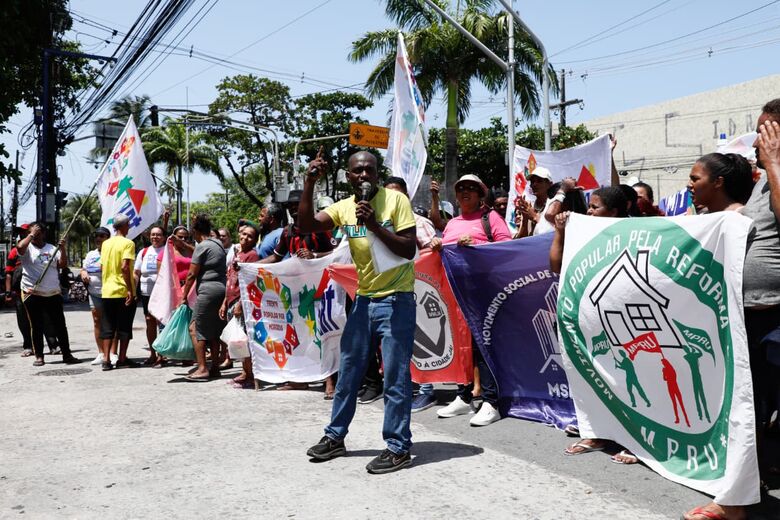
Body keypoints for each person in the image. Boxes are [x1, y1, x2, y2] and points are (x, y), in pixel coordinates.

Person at [300, 150, 418, 474]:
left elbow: (409, 249)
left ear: (378, 174)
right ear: (348, 177)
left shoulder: (395, 202)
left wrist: (375, 225)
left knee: (394, 378)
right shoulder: (343, 209)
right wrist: (309, 182)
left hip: (397, 300)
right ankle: (335, 438)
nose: (364, 175)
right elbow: (306, 224)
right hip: (364, 300)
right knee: (349, 372)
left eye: (369, 170)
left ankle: (398, 447)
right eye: (357, 171)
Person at [682, 127, 776, 519]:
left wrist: (772, 162)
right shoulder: (762, 185)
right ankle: (739, 496)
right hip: (750, 315)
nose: (757, 143)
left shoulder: (772, 169)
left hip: (773, 313)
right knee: (748, 407)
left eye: (765, 131)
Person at [550, 187, 632, 462]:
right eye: (590, 206)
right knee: (594, 374)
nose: (589, 211)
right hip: (592, 321)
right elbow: (556, 266)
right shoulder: (582, 233)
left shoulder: (635, 232)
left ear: (615, 212)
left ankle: (635, 441)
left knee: (627, 380)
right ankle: (597, 432)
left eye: (596, 207)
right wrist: (561, 232)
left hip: (624, 323)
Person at [430, 174, 511, 426]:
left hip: (483, 292)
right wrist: (437, 244)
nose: (465, 192)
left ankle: (491, 402)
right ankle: (464, 397)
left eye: (471, 189)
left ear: (480, 194)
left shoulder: (491, 219)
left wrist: (476, 246)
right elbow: (445, 249)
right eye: (461, 188)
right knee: (460, 345)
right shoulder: (452, 222)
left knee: (481, 346)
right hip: (455, 294)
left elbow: (507, 249)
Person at [357, 177, 436, 409]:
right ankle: (408, 386)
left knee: (423, 339)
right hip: (384, 293)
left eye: (398, 194)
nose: (393, 199)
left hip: (416, 288)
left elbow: (429, 250)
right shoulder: (372, 221)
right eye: (388, 194)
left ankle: (426, 389)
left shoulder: (418, 222)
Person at [17, 222, 78, 366]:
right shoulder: (27, 247)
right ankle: (39, 356)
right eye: (33, 232)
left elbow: (62, 264)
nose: (36, 234)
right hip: (32, 292)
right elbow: (19, 248)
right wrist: (31, 235)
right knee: (36, 326)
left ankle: (67, 355)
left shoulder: (51, 248)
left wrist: (62, 249)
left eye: (39, 232)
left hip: (52, 292)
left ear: (44, 234)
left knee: (60, 325)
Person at [182, 214, 227, 381]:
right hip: (221, 290)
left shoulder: (202, 246)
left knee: (195, 328)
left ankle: (202, 368)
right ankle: (215, 367)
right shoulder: (218, 244)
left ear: (195, 231)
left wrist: (184, 296)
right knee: (214, 330)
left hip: (208, 291)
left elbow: (191, 274)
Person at [220, 224, 259, 389]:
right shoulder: (237, 254)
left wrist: (241, 304)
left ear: (255, 240)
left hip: (241, 302)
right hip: (231, 299)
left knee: (244, 341)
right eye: (243, 234)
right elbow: (230, 279)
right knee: (237, 340)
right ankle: (244, 372)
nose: (245, 237)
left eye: (250, 236)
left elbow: (251, 283)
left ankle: (250, 375)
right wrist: (224, 302)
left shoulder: (252, 256)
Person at [99, 215, 138, 371]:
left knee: (108, 327)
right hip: (122, 290)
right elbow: (125, 267)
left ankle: (106, 359)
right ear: (124, 226)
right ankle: (122, 358)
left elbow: (102, 267)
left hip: (107, 291)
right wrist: (130, 288)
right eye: (128, 225)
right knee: (124, 326)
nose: (129, 227)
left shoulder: (106, 244)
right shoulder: (128, 243)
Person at [81, 226, 116, 365]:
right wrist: (83, 273)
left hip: (110, 292)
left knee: (111, 323)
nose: (98, 238)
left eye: (102, 236)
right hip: (94, 292)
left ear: (108, 238)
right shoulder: (91, 254)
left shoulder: (112, 252)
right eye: (96, 236)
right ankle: (101, 353)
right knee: (97, 321)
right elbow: (84, 268)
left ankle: (112, 353)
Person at [134, 225, 166, 367]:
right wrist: (133, 290)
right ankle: (152, 354)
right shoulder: (143, 252)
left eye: (158, 235)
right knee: (149, 321)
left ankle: (162, 355)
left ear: (164, 237)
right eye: (153, 234)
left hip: (162, 292)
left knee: (163, 322)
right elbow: (136, 272)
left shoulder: (167, 251)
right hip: (146, 291)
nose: (155, 237)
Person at [514, 166, 554, 237]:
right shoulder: (528, 207)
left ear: (550, 184)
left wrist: (534, 216)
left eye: (539, 181)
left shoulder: (555, 206)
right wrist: (525, 219)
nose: (534, 184)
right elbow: (521, 242)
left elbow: (553, 233)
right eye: (532, 182)